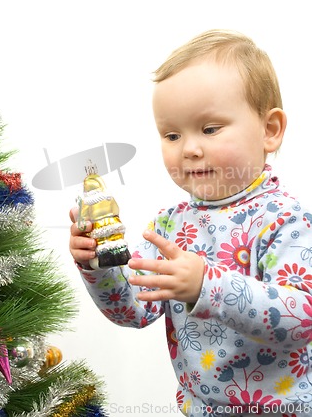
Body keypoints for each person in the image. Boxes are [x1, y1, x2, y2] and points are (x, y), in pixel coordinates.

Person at [69, 29, 312, 417]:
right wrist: (98, 265)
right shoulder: (169, 226)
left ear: (269, 130)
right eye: (172, 134)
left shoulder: (285, 219)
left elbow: (302, 316)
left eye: (210, 129)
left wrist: (207, 285)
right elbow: (133, 311)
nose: (190, 148)